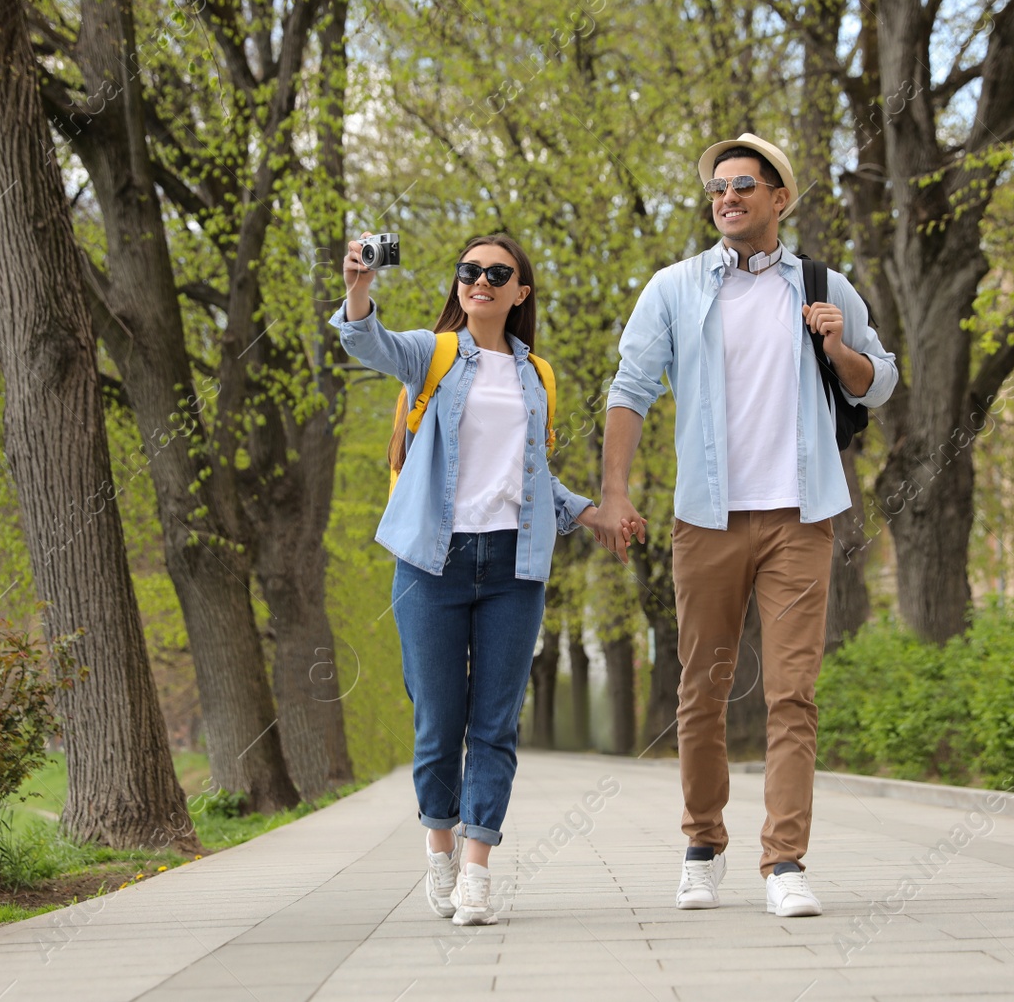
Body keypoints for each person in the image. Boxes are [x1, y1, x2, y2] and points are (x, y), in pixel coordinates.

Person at [588, 133, 897, 918]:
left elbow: (878, 383)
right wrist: (615, 492)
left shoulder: (828, 286)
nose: (728, 197)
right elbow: (629, 389)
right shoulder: (675, 288)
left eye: (744, 186)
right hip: (707, 519)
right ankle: (702, 844)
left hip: (802, 517)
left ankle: (785, 860)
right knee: (703, 689)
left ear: (779, 199)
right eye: (718, 188)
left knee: (793, 693)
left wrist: (837, 344)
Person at [331, 231, 597, 927]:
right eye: (469, 269)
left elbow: (532, 474)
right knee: (437, 720)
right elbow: (367, 342)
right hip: (432, 565)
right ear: (459, 283)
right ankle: (439, 841)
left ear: (520, 291)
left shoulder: (538, 375)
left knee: (495, 724)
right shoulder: (433, 353)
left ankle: (477, 869)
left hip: (514, 566)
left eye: (497, 272)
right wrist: (360, 287)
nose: (480, 279)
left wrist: (589, 512)